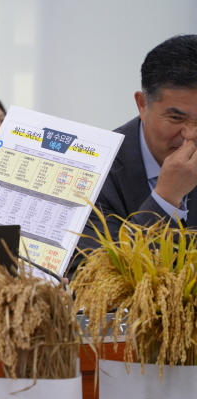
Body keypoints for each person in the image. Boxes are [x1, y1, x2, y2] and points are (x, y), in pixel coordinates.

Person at [69, 34, 197, 278]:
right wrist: (166, 198)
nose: (189, 136)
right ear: (142, 105)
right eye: (176, 118)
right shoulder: (94, 168)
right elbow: (99, 277)